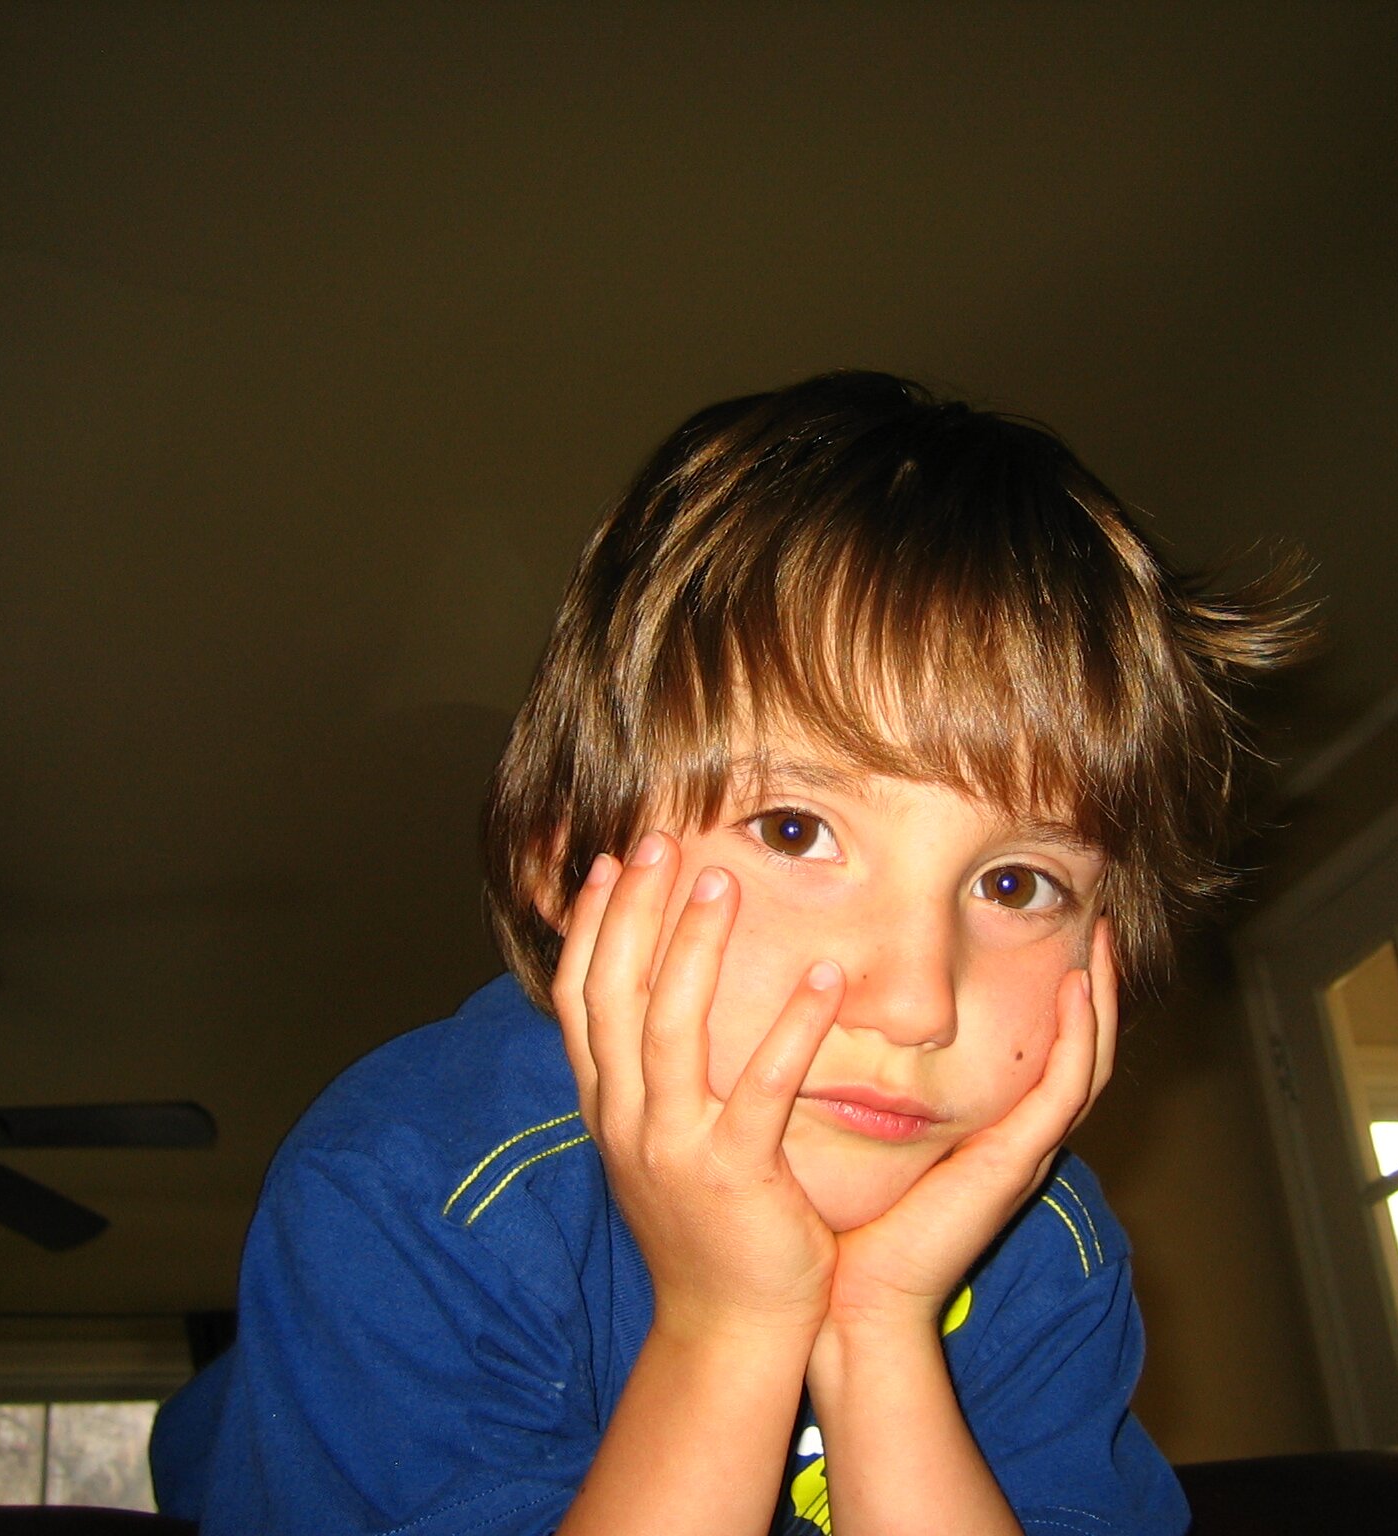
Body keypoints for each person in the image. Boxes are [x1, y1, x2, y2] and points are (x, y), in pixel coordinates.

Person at [150, 372, 1305, 1534]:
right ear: (568, 872)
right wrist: (729, 1323)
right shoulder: (411, 1191)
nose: (914, 1003)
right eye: (794, 831)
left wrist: (880, 1330)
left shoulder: (1044, 1250)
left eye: (1015, 884)